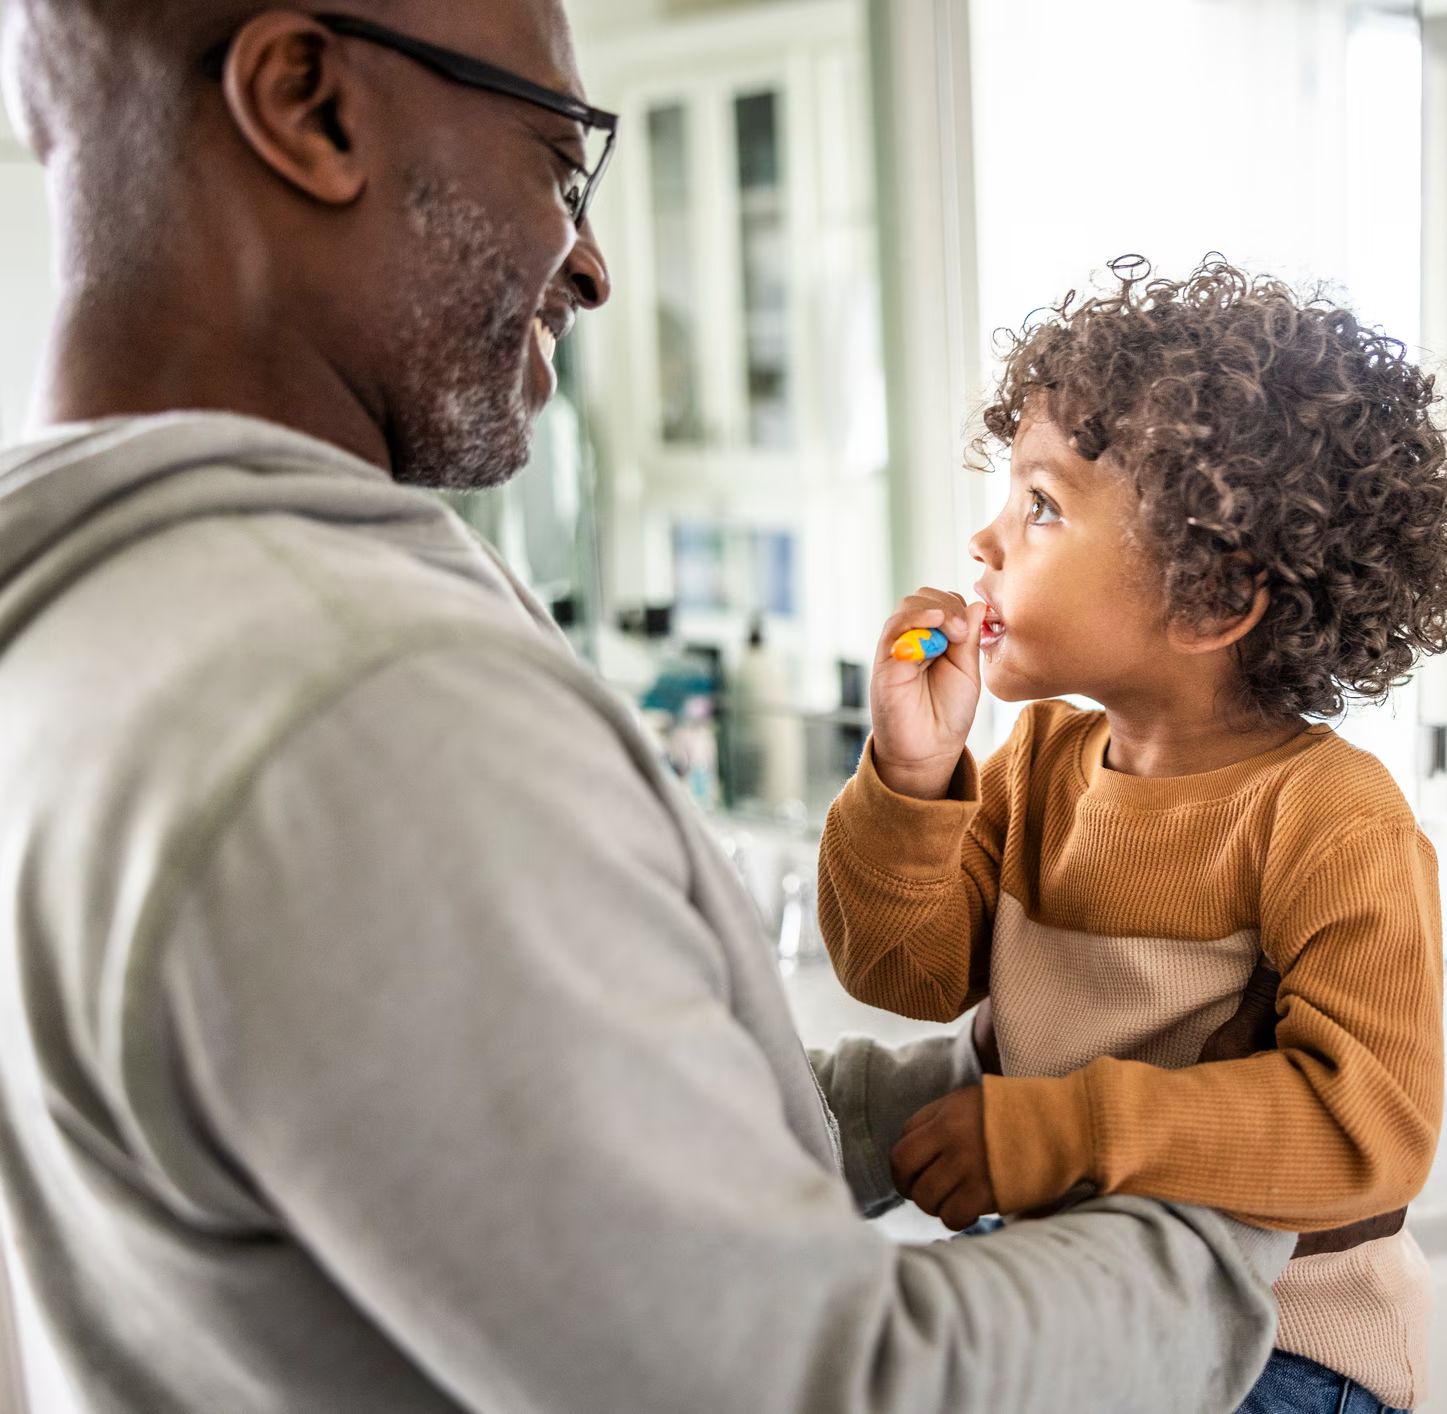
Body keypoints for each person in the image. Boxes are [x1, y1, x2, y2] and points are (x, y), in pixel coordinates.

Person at [0, 5, 1299, 1411]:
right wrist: (1225, 1205)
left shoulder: (104, 619)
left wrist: (993, 1099)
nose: (594, 265)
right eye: (559, 163)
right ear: (310, 105)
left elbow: (578, 1191)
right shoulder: (365, 710)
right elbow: (829, 1386)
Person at [816, 259, 1447, 1414]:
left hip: (1281, 1350)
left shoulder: (1331, 820)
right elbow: (902, 972)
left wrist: (1057, 1131)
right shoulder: (1037, 765)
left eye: (1040, 505)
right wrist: (911, 774)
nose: (985, 538)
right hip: (1087, 1301)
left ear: (1209, 598)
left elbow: (1367, 1128)